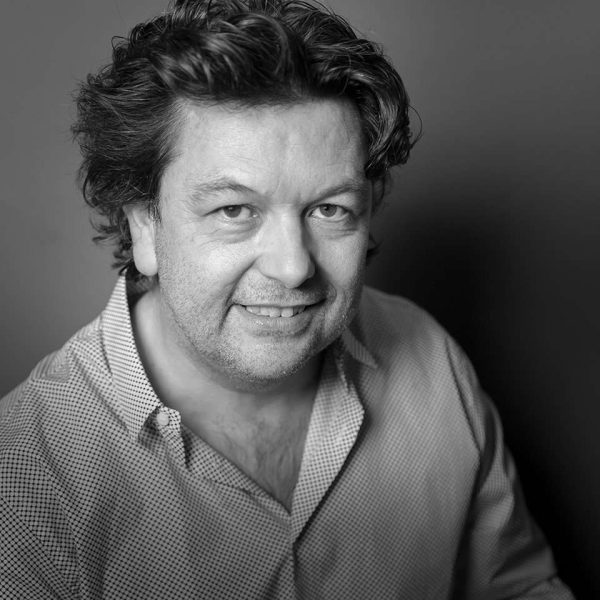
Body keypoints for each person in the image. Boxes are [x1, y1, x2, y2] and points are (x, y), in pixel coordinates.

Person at [0, 0, 574, 598]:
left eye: (330, 209)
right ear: (144, 225)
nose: (293, 266)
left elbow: (518, 589)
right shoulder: (25, 480)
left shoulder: (430, 362)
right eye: (234, 210)